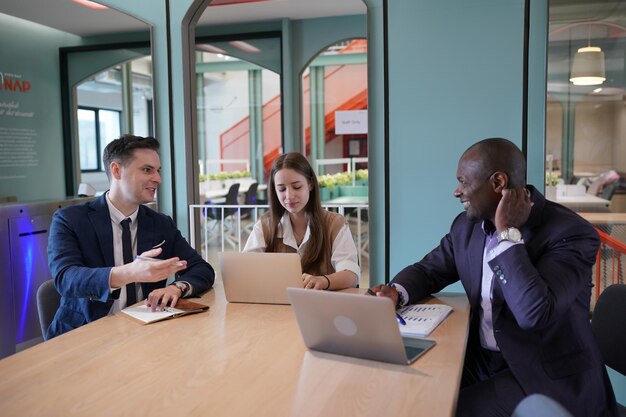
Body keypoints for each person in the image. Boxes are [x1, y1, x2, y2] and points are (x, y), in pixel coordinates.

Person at [370, 138, 617, 417]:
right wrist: (396, 291)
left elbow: (534, 312)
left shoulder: (569, 233)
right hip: (481, 361)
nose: (457, 192)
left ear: (498, 183)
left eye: (463, 182)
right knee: (411, 395)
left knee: (447, 410)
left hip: (543, 373)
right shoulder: (467, 227)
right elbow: (430, 269)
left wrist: (507, 235)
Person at [47, 135, 215, 339]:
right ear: (116, 170)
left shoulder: (160, 223)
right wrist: (129, 273)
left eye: (158, 171)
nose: (158, 179)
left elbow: (202, 268)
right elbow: (66, 279)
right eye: (147, 170)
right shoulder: (70, 220)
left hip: (143, 332)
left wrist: (176, 287)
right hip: (84, 334)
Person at [244, 152, 359, 290]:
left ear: (310, 184)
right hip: (277, 309)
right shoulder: (265, 226)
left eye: (297, 187)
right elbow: (245, 270)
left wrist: (323, 281)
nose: (289, 196)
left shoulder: (334, 224)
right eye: (281, 189)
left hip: (322, 307)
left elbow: (351, 275)